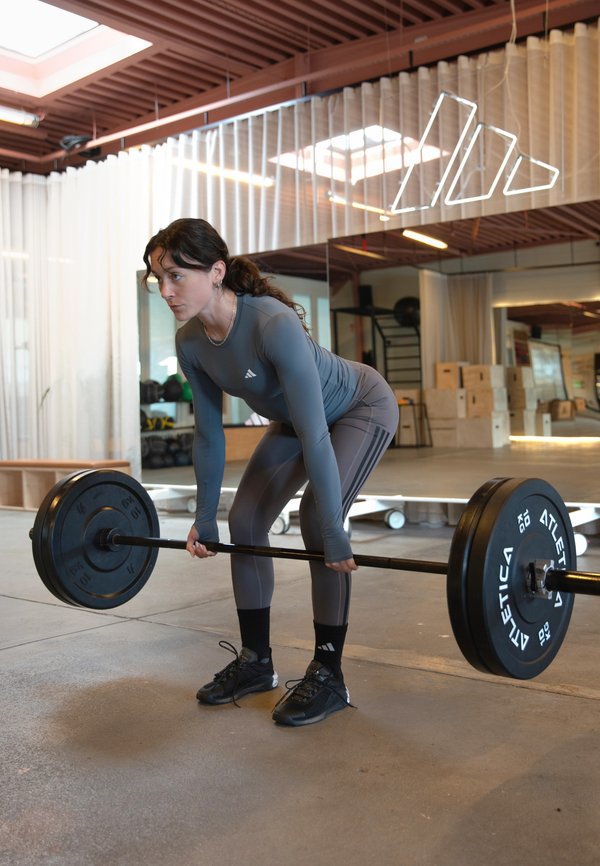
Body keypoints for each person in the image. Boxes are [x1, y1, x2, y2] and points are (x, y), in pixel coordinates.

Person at [142, 218, 399, 727]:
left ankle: (329, 672)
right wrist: (203, 515)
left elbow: (316, 433)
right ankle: (256, 662)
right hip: (297, 422)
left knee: (315, 522)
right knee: (245, 519)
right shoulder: (191, 341)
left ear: (216, 272)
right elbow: (209, 434)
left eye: (176, 276)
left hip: (357, 409)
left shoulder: (270, 323)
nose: (166, 291)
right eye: (158, 280)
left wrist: (332, 526)